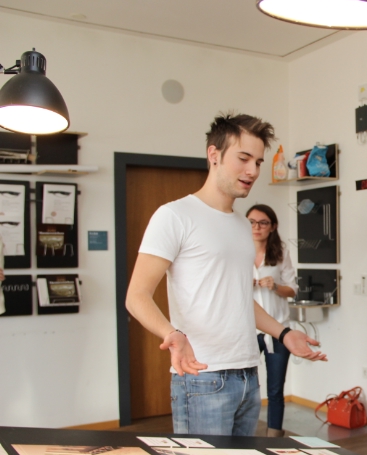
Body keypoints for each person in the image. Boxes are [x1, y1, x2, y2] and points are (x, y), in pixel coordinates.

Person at [126, 113, 326, 437]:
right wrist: (171, 334)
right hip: (203, 375)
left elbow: (240, 299)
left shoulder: (241, 225)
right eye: (243, 159)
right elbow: (136, 296)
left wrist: (284, 333)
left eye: (258, 162)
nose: (253, 171)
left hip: (247, 374)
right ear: (214, 155)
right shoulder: (174, 216)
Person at [247, 204, 297, 438]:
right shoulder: (237, 251)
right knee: (244, 387)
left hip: (277, 330)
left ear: (273, 226)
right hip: (246, 330)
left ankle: (274, 438)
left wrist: (275, 286)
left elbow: (292, 290)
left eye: (263, 223)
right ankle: (241, 436)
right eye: (251, 222)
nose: (256, 227)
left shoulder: (281, 253)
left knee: (275, 389)